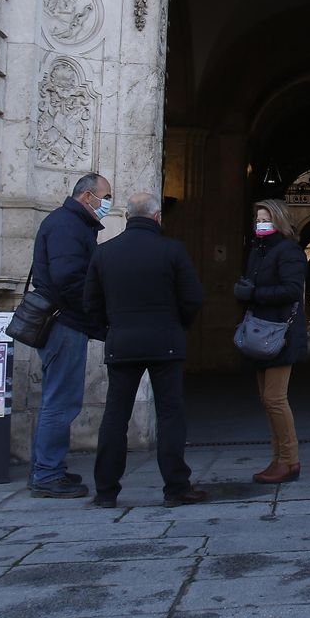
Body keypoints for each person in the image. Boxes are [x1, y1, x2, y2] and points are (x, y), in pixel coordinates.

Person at [85, 191, 206, 508]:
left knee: (115, 415)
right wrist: (178, 325)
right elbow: (193, 297)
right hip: (165, 341)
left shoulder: (104, 252)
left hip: (121, 341)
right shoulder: (171, 250)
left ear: (126, 216)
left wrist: (111, 329)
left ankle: (106, 491)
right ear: (157, 217)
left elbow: (90, 304)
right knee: (170, 414)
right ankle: (176, 488)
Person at [27, 171, 111, 499]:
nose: (107, 202)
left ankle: (46, 468)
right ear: (86, 196)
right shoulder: (67, 225)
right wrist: (95, 309)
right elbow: (69, 279)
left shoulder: (70, 223)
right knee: (61, 401)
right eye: (105, 196)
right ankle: (47, 474)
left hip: (66, 321)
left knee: (57, 399)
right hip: (65, 323)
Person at [234, 198, 308, 484]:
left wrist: (253, 294)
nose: (259, 224)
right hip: (261, 331)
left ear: (279, 220)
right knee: (267, 400)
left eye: (265, 219)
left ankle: (290, 460)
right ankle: (277, 458)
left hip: (280, 333)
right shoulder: (258, 250)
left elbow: (291, 290)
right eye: (257, 219)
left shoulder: (288, 251)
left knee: (275, 399)